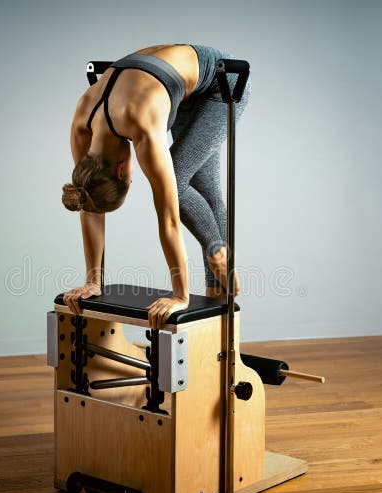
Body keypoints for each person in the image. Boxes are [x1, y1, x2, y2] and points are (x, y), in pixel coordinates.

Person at [61, 44, 250, 329]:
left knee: (177, 176)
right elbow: (89, 207)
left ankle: (218, 254)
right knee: (201, 185)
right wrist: (93, 281)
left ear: (122, 171)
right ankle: (215, 312)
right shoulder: (82, 127)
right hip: (177, 84)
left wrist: (179, 296)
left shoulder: (140, 123)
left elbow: (170, 219)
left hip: (221, 80)